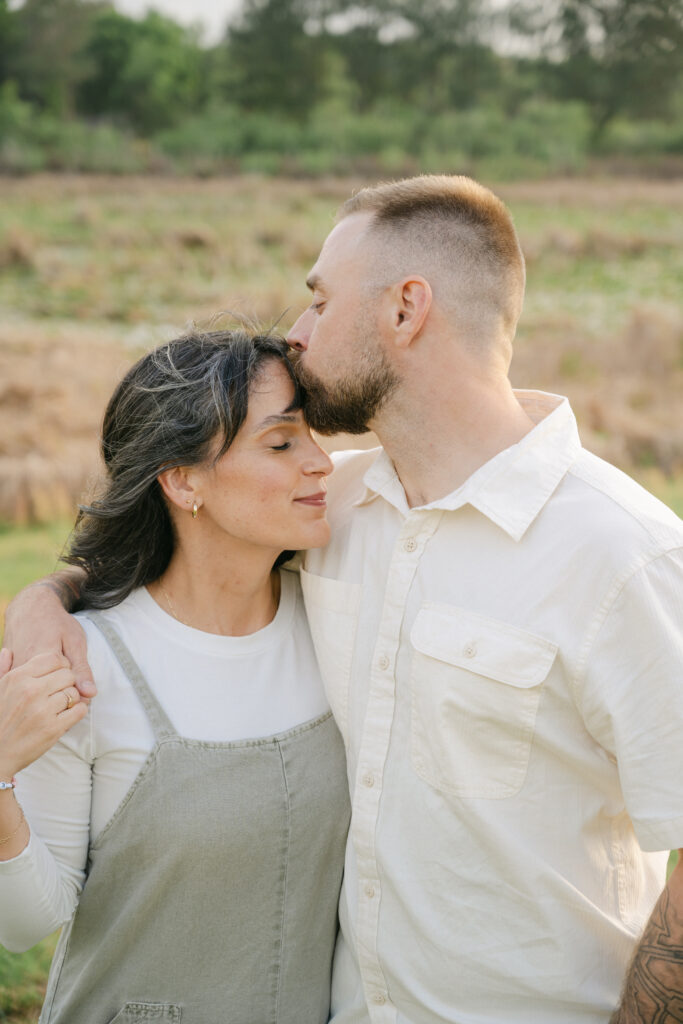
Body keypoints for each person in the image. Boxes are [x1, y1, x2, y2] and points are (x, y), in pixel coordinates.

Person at [6, 175, 683, 1023]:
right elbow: (178, 553)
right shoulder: (336, 508)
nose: (296, 334)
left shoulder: (625, 556)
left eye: (319, 302)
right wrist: (44, 601)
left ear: (405, 310)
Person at [0, 327, 350, 1024]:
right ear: (182, 480)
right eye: (281, 444)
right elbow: (25, 923)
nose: (321, 464)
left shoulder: (338, 622)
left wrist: (39, 592)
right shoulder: (87, 662)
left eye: (313, 436)